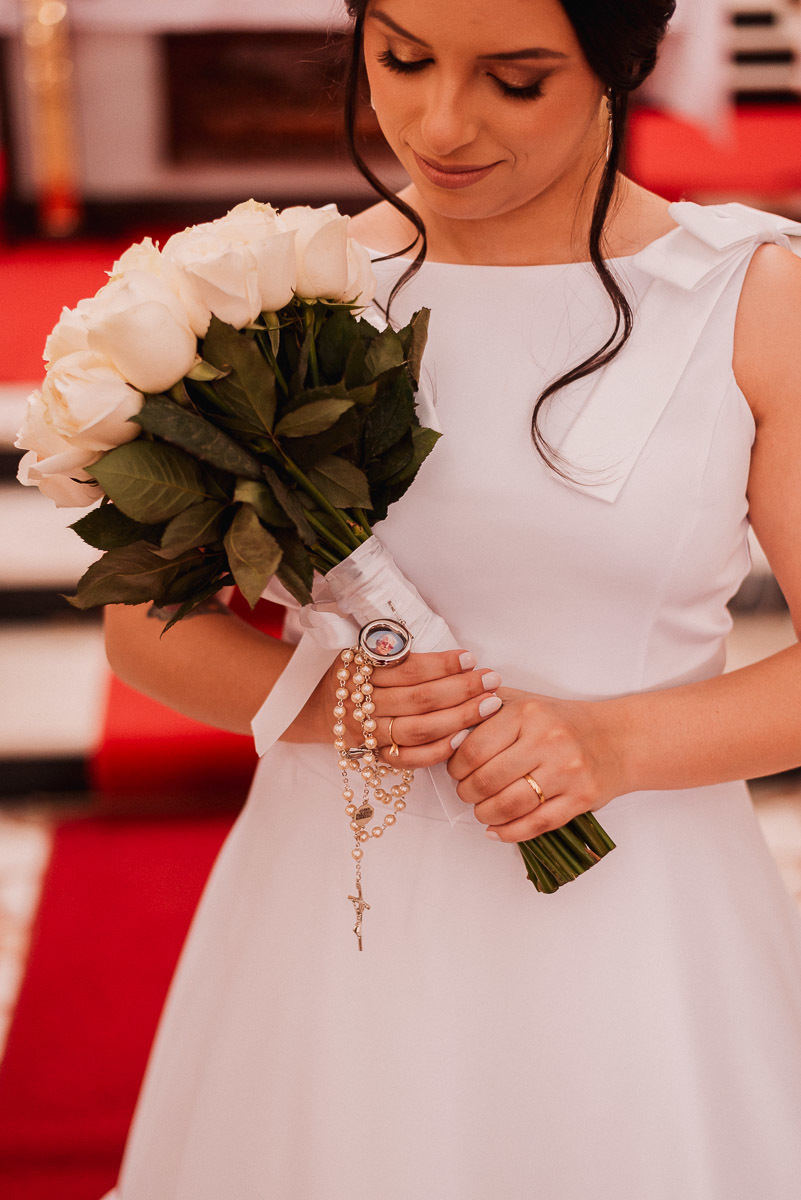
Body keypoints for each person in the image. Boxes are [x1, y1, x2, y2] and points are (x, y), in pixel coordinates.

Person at [100, 1, 801, 1197]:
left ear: (623, 62)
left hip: (641, 920)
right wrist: (329, 702)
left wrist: (613, 744)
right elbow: (143, 630)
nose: (438, 124)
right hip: (339, 918)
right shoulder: (269, 295)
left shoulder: (752, 298)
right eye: (402, 61)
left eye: (515, 80)